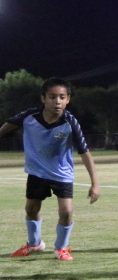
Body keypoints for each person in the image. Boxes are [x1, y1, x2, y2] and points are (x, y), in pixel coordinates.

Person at [0, 78, 100, 261]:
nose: (57, 101)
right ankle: (34, 244)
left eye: (62, 97)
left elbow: (84, 152)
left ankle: (61, 248)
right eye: (52, 97)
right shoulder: (29, 116)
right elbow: (7, 126)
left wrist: (95, 183)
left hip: (62, 174)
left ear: (68, 99)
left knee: (66, 212)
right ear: (43, 98)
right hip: (37, 172)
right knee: (31, 208)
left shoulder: (70, 122)